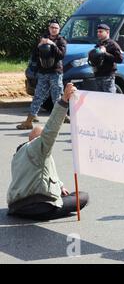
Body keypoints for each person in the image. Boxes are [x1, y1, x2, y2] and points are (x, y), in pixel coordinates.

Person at [8, 83, 89, 220]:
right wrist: (64, 100)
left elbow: (38, 176)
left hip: (15, 206)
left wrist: (59, 185)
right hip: (38, 206)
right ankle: (49, 210)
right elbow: (52, 127)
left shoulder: (18, 155)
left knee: (66, 194)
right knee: (82, 196)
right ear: (39, 140)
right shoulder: (40, 147)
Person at [17, 19, 67, 130]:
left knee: (57, 97)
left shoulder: (61, 41)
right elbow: (34, 55)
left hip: (55, 72)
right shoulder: (43, 39)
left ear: (59, 30)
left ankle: (62, 117)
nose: (53, 29)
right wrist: (40, 45)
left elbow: (61, 55)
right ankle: (29, 120)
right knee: (38, 95)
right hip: (43, 72)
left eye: (56, 28)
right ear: (49, 28)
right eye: (52, 27)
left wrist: (52, 44)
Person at [91, 23, 124, 93]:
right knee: (100, 100)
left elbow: (120, 59)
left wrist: (105, 53)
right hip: (98, 75)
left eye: (100, 32)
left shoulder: (113, 44)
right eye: (97, 32)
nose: (98, 33)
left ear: (107, 32)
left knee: (109, 99)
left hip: (108, 76)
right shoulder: (98, 45)